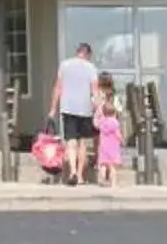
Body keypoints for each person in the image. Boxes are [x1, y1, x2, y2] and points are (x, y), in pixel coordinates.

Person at [52, 40, 99, 187]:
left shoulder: (64, 65)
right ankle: (79, 176)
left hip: (68, 108)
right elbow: (95, 91)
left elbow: (58, 88)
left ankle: (71, 171)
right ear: (88, 54)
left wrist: (53, 108)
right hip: (85, 109)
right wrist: (98, 110)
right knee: (83, 143)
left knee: (71, 141)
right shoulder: (91, 68)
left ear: (78, 52)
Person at [93, 73, 125, 186]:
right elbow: (119, 110)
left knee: (100, 149)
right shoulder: (114, 96)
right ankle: (111, 178)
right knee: (112, 158)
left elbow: (93, 105)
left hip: (101, 126)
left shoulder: (98, 94)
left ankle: (101, 174)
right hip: (112, 126)